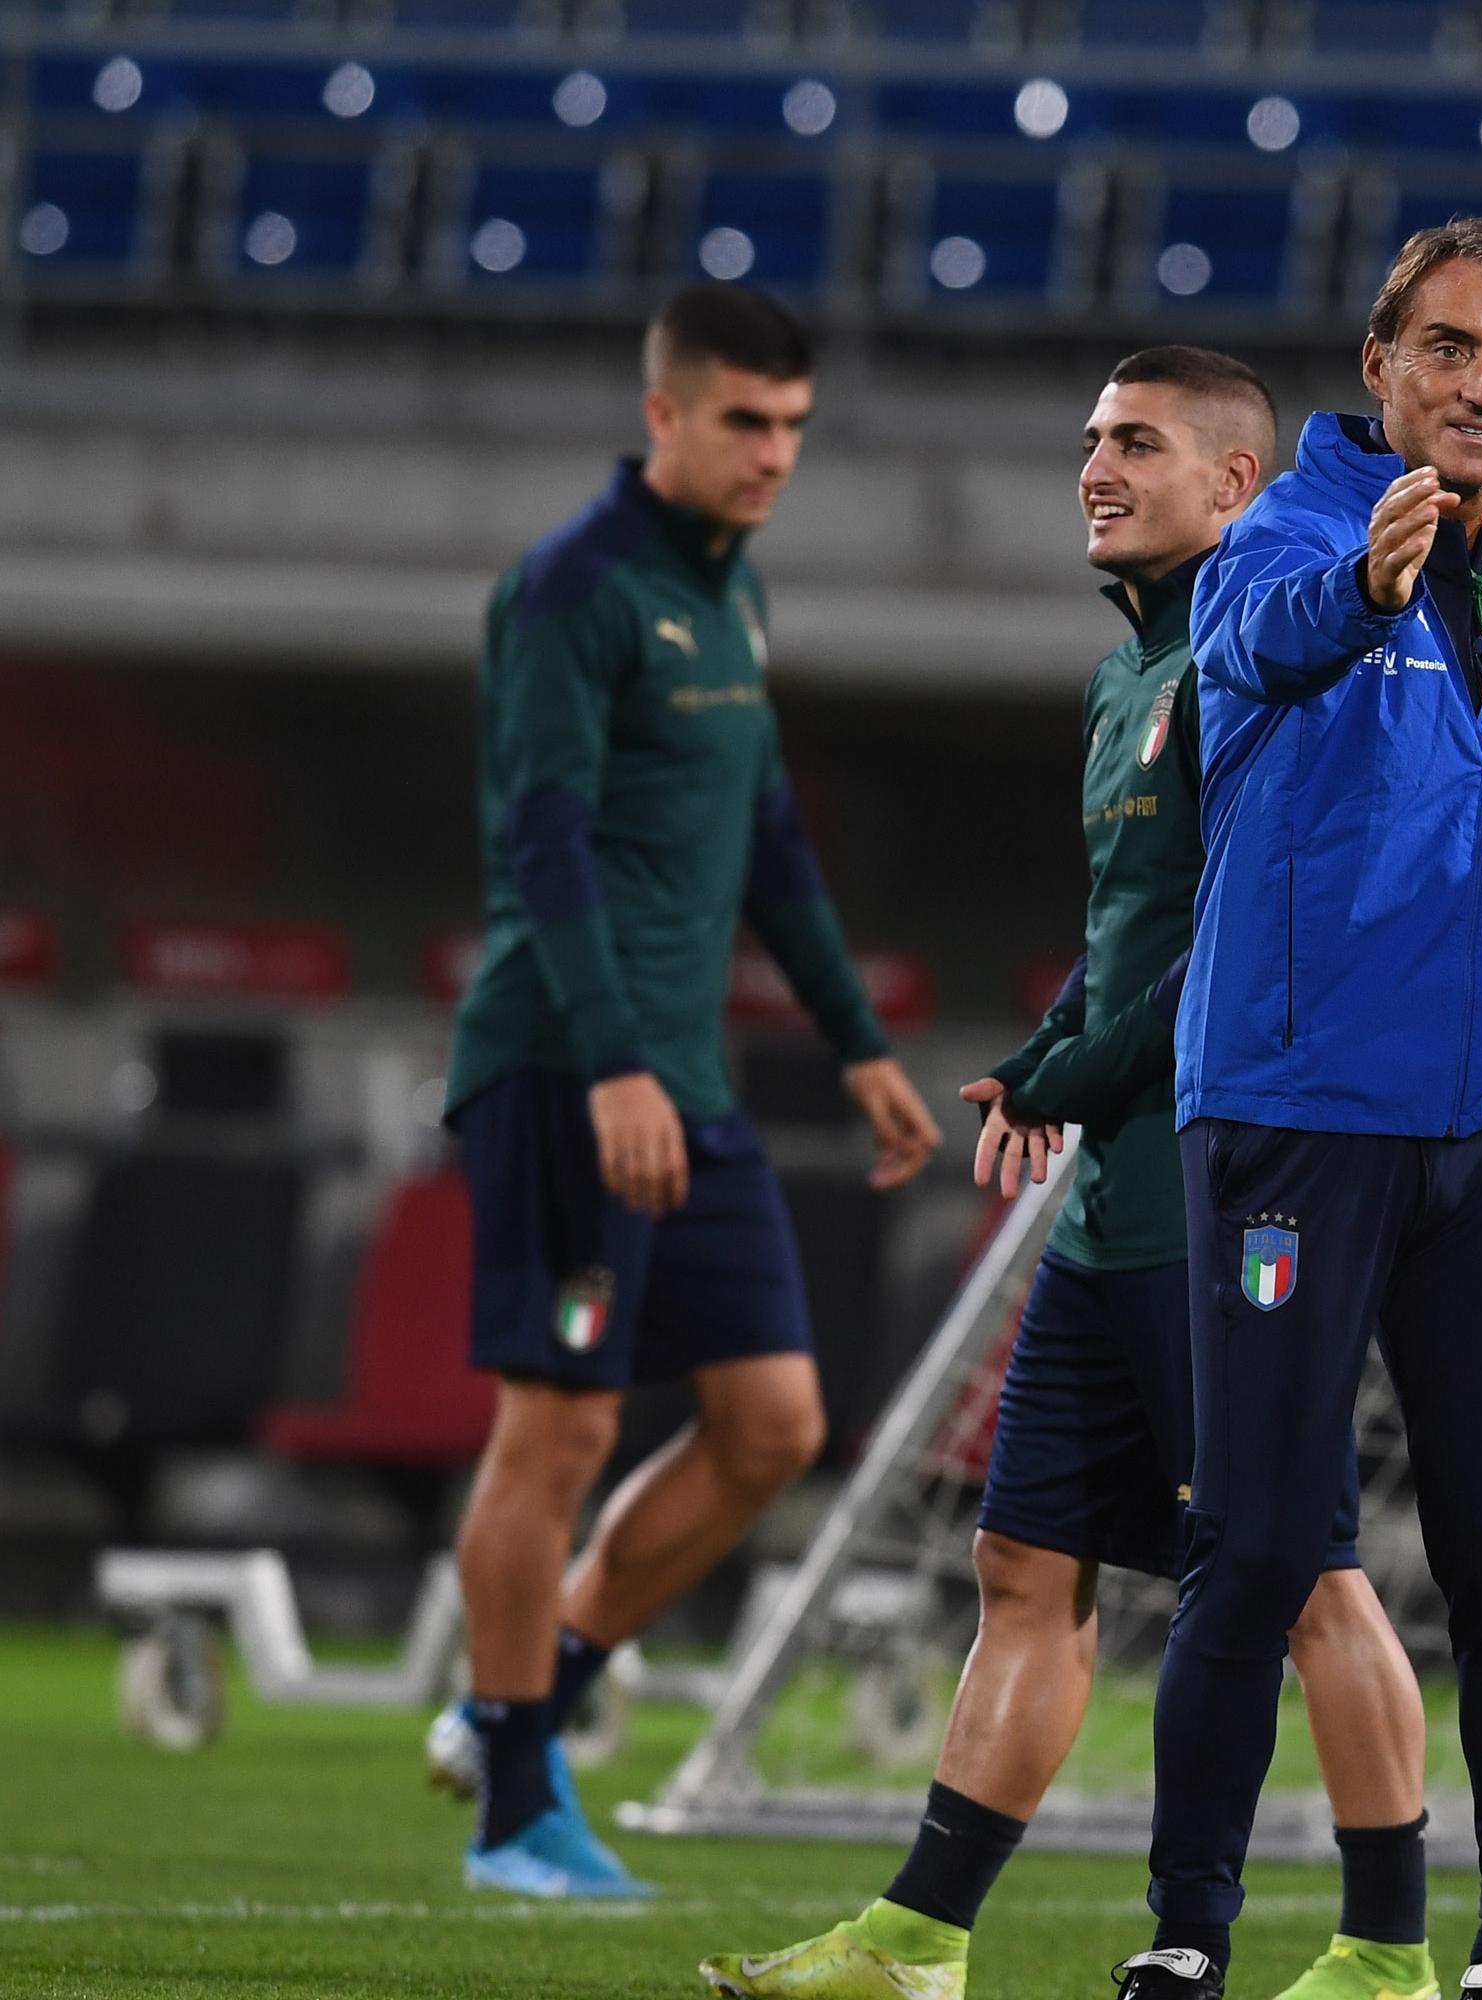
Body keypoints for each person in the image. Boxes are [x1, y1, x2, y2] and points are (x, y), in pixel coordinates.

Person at [702, 348, 1439, 2000]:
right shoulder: (1123, 687)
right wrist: (1055, 1056)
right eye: (1090, 441)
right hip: (1117, 1205)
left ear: (1239, 485)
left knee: (1301, 1571)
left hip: (1240, 1194)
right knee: (1025, 1562)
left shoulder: (1287, 673)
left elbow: (1242, 959)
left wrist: (1069, 1067)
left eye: (1137, 443)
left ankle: (1388, 1950)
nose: (1094, 468)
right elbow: (1134, 945)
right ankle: (917, 1941)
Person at [1108, 221, 1482, 2000]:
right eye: (1450, 349)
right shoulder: (1279, 545)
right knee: (1259, 1538)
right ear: (1379, 368)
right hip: (1298, 1115)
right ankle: (1188, 1939)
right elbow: (1268, 646)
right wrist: (1366, 588)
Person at [434, 282, 943, 1898]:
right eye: (744, 421)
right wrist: (617, 1070)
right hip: (570, 1067)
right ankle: (517, 1811)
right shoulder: (573, 591)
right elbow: (544, 846)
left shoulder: (735, 596)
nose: (772, 454)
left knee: (772, 1425)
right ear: (664, 414)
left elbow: (768, 839)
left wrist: (856, 1039)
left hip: (696, 1084)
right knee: (563, 1426)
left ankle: (533, 1694)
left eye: (793, 427)